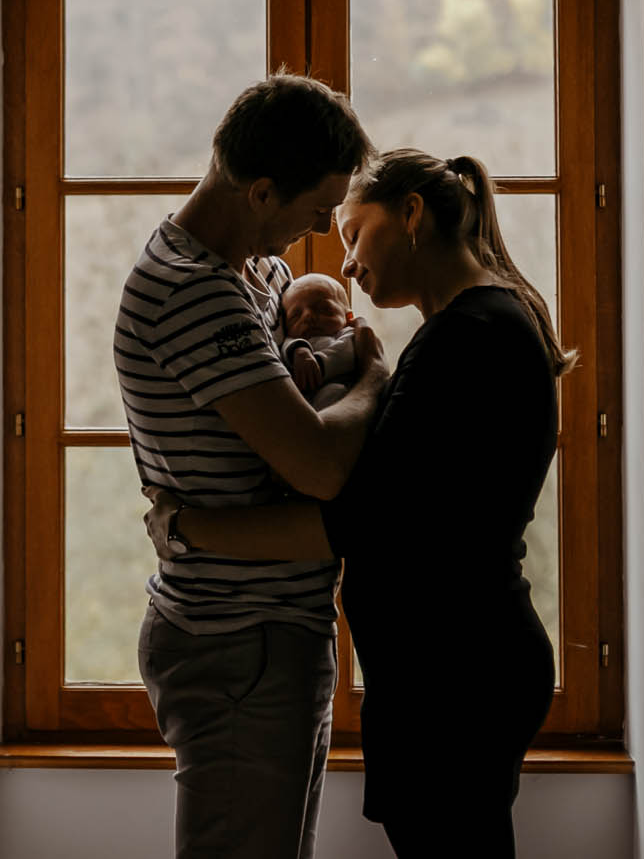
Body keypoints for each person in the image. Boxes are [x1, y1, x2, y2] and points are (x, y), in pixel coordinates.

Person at [144, 149, 577, 859]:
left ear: (410, 215)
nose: (343, 262)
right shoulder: (473, 329)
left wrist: (187, 528)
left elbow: (349, 523)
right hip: (454, 668)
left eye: (351, 231)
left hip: (453, 680)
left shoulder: (470, 340)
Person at [117, 71, 389, 859]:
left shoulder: (259, 273)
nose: (318, 232)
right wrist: (371, 371)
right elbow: (318, 466)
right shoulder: (191, 292)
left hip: (272, 630)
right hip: (236, 639)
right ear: (262, 190)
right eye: (314, 208)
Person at [280, 271, 361, 410]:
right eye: (296, 315)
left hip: (342, 393)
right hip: (303, 403)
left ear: (348, 317)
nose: (308, 317)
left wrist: (319, 365)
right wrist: (300, 351)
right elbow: (286, 347)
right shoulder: (295, 339)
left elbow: (347, 353)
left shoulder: (347, 333)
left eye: (323, 309)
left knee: (334, 392)